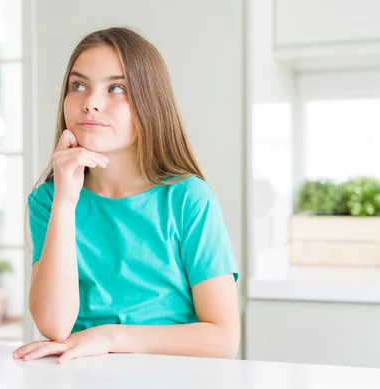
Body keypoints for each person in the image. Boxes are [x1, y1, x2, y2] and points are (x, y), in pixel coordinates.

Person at [13, 27, 240, 364]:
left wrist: (111, 337)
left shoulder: (188, 199)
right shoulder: (48, 202)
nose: (90, 103)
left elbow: (223, 338)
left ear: (151, 103)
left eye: (116, 88)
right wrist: (65, 203)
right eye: (79, 86)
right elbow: (54, 325)